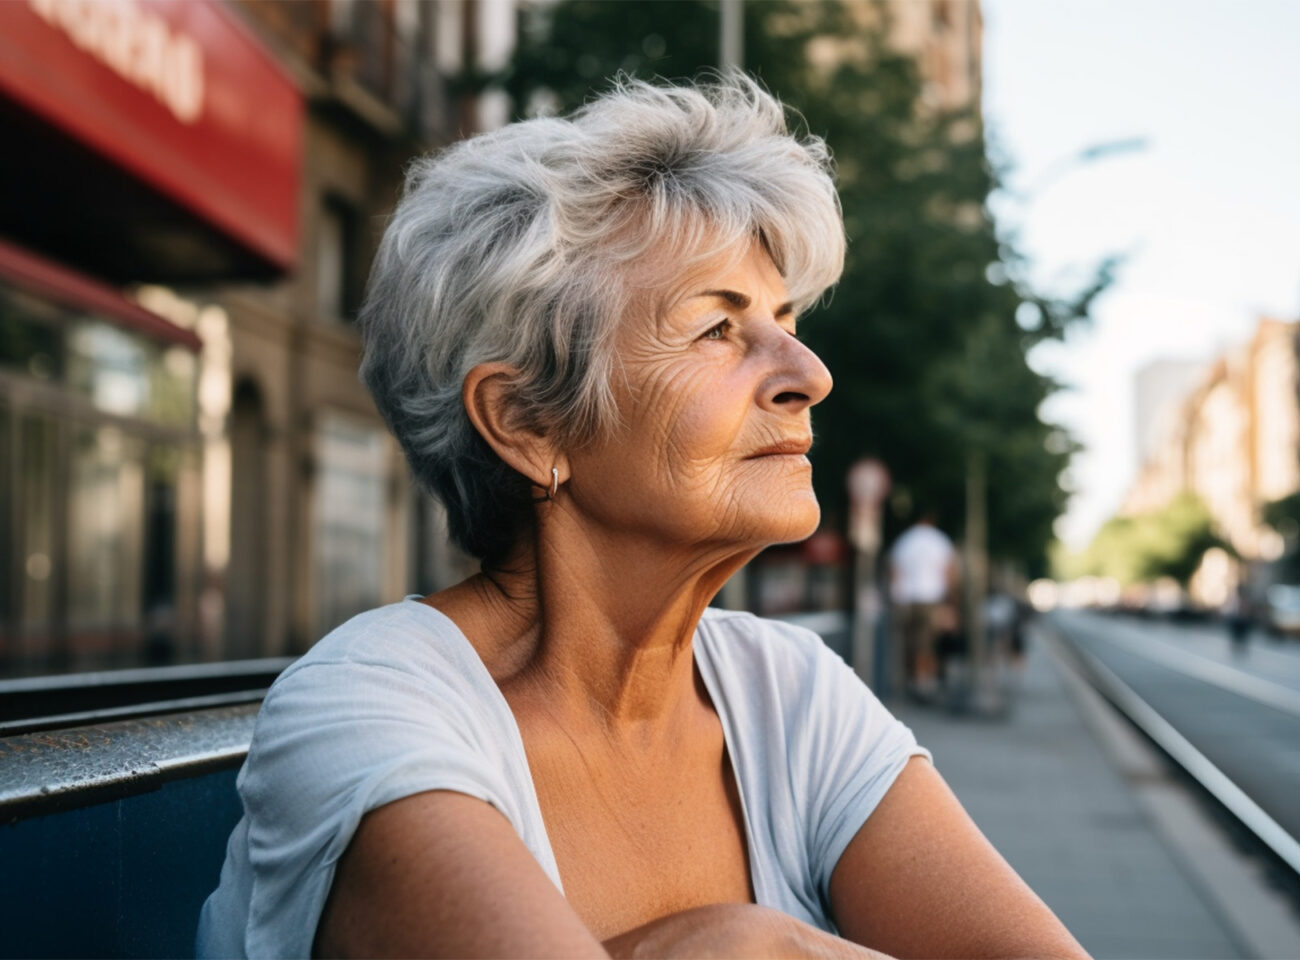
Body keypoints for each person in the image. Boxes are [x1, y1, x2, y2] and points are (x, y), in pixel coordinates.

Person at [195, 76, 1084, 960]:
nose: (808, 371)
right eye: (716, 330)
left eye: (783, 319)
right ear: (528, 422)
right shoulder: (368, 710)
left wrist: (755, 946)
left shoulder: (789, 693)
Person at [888, 512, 959, 701]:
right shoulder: (939, 540)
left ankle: (910, 681)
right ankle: (924, 682)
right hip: (931, 598)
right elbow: (948, 572)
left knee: (908, 642)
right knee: (927, 643)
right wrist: (950, 600)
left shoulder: (905, 540)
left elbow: (895, 570)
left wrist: (897, 596)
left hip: (907, 598)